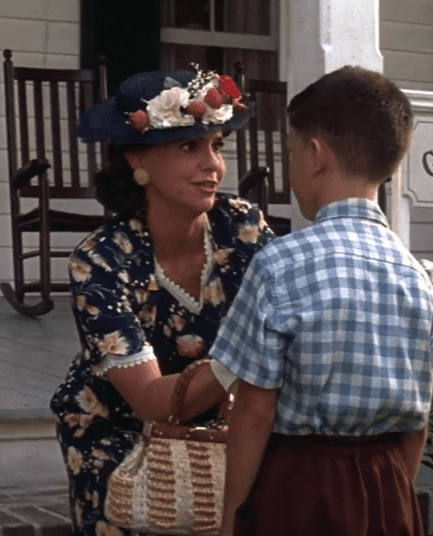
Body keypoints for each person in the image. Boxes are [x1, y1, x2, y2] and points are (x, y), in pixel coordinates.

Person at [210, 66, 433, 536]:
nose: (290, 167)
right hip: (388, 483)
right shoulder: (419, 278)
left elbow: (255, 409)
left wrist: (232, 511)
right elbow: (417, 423)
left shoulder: (280, 265)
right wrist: (393, 492)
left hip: (299, 487)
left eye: (292, 151)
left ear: (316, 155)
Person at [49, 66, 275, 536]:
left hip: (222, 435)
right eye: (189, 147)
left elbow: (292, 307)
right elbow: (153, 401)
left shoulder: (241, 226)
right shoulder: (100, 261)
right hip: (126, 448)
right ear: (137, 160)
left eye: (217, 145)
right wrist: (252, 346)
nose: (213, 165)